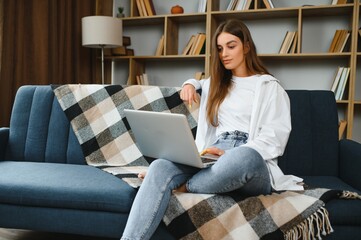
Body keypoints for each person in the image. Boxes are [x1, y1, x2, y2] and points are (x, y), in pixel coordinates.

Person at [120, 19, 303, 240]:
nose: (224, 53)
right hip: (214, 153)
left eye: (231, 45)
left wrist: (231, 154)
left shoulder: (269, 86)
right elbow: (199, 83)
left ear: (246, 46)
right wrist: (189, 84)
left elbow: (275, 137)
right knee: (159, 166)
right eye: (219, 48)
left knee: (244, 158)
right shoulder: (217, 83)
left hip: (250, 157)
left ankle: (184, 186)